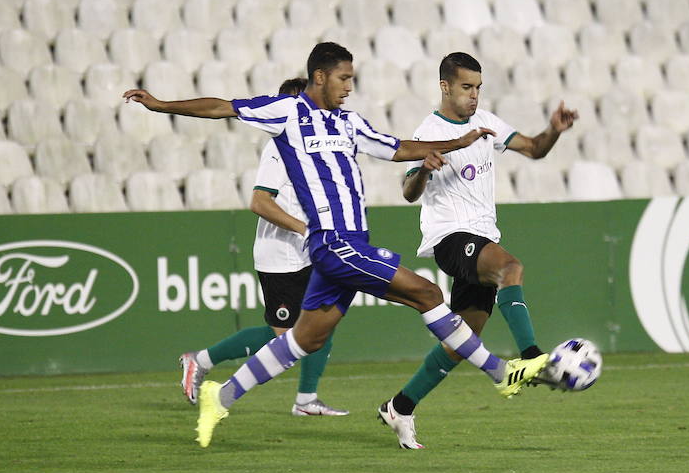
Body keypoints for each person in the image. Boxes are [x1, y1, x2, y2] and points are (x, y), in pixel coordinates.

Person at [123, 42, 550, 448]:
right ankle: (500, 373)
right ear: (319, 76)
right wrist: (161, 105)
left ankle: (222, 397)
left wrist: (454, 144)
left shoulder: (350, 123)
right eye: (343, 78)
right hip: (332, 242)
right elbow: (222, 107)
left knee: (303, 340)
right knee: (428, 293)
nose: (349, 86)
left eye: (352, 78)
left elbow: (400, 148)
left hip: (346, 245)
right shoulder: (288, 112)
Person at [377, 52, 576, 448]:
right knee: (511, 269)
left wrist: (553, 130)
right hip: (450, 237)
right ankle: (531, 355)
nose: (474, 96)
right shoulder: (428, 131)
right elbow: (408, 192)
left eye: (478, 88)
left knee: (460, 341)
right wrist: (423, 169)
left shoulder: (486, 123)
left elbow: (535, 148)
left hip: (483, 236)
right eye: (466, 87)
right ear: (445, 86)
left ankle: (399, 406)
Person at [177, 78, 345, 417]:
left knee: (322, 322)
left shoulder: (312, 146)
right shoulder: (278, 148)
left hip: (308, 250)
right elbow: (259, 202)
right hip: (280, 255)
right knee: (283, 337)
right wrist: (305, 228)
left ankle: (306, 399)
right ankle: (202, 360)